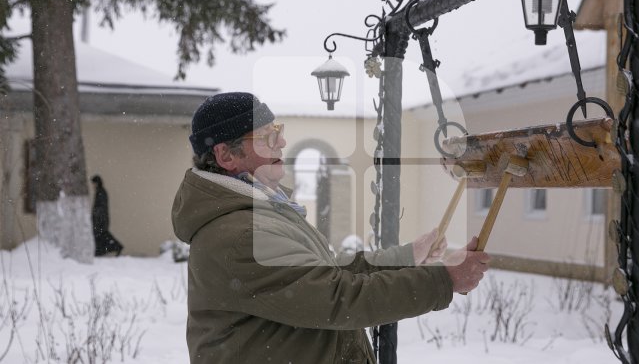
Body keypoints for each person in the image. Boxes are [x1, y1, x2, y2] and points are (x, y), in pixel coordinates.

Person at [171, 92, 491, 364]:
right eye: (267, 136)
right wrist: (444, 280)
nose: (282, 141)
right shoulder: (242, 237)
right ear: (226, 155)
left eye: (277, 130)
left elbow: (327, 273)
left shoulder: (259, 214)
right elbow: (339, 299)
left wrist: (409, 255)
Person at [91, 175, 123, 256]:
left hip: (101, 219)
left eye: (93, 183)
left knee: (102, 235)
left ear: (97, 183)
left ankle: (116, 247)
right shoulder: (100, 192)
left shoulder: (101, 192)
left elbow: (101, 207)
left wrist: (95, 215)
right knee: (101, 235)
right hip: (100, 219)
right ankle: (102, 251)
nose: (93, 186)